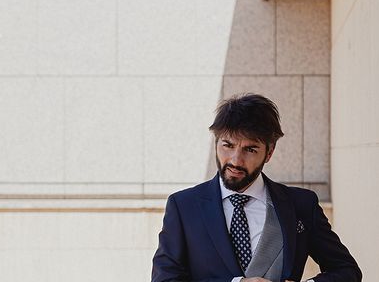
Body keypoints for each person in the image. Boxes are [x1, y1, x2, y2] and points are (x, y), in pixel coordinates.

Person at [151, 93, 362, 282]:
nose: (235, 160)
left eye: (250, 149)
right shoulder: (183, 206)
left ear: (269, 152)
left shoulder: (301, 204)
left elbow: (346, 270)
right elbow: (164, 279)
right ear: (216, 143)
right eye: (228, 145)